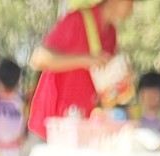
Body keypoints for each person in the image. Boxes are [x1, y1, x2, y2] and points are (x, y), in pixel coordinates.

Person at [28, 0, 134, 136]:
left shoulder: (111, 33)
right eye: (131, 2)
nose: (132, 8)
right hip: (52, 123)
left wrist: (120, 79)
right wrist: (84, 60)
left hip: (83, 122)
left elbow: (105, 90)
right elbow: (39, 58)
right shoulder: (76, 19)